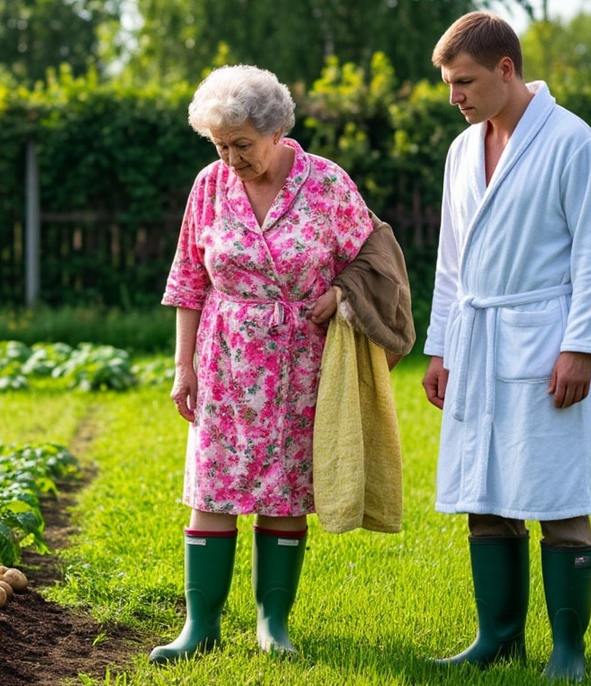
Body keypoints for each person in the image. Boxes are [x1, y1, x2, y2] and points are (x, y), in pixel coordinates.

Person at [154, 64, 394, 664]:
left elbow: (375, 258)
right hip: (224, 356)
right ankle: (199, 626)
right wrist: (183, 368)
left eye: (241, 145)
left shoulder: (328, 185)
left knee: (284, 494)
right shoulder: (208, 185)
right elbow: (187, 281)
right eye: (219, 145)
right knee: (210, 488)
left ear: (279, 129)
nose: (229, 158)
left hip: (298, 360)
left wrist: (340, 295)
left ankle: (272, 624)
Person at [421, 12, 591, 683]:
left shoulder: (574, 143)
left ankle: (568, 651)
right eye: (449, 83)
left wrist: (582, 347)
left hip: (544, 342)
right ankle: (498, 638)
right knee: (485, 487)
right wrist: (442, 346)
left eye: (465, 81)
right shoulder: (462, 151)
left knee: (556, 490)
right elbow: (451, 263)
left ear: (506, 69)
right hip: (478, 340)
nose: (455, 95)